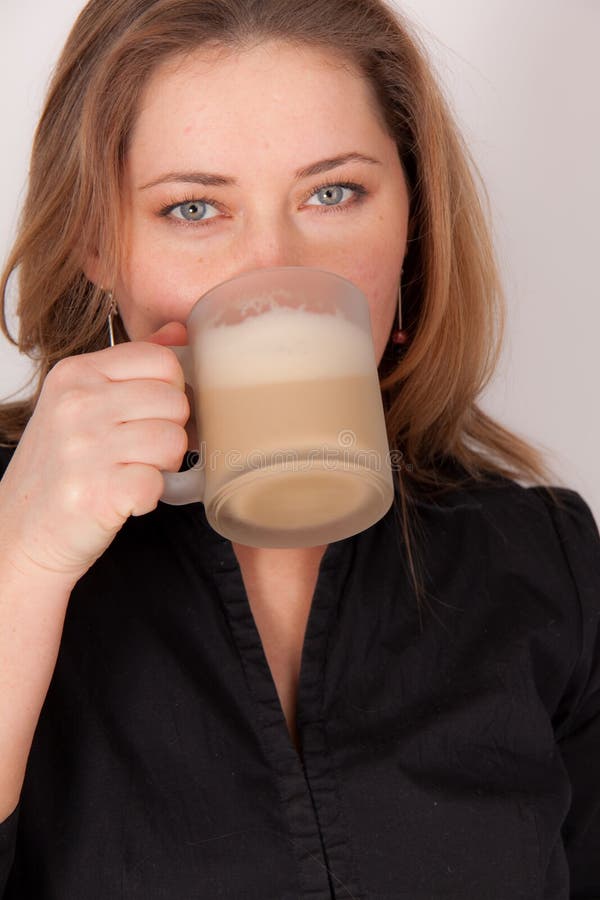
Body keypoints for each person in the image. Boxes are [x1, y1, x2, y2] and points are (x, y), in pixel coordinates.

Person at [0, 0, 598, 896]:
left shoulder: (544, 562)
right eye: (194, 207)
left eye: (333, 193)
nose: (272, 267)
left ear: (412, 221)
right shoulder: (13, 528)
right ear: (96, 241)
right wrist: (25, 563)